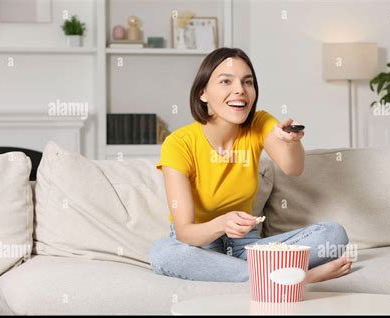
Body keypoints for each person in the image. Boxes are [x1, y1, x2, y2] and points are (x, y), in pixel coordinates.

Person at [149, 47, 352, 283]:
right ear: (202, 92)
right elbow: (184, 231)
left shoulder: (259, 123)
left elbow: (293, 168)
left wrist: (292, 142)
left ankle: (253, 275)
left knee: (332, 234)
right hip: (202, 246)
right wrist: (222, 224)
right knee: (163, 254)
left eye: (248, 82)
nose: (240, 90)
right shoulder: (178, 143)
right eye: (226, 81)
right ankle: (295, 278)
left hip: (247, 247)